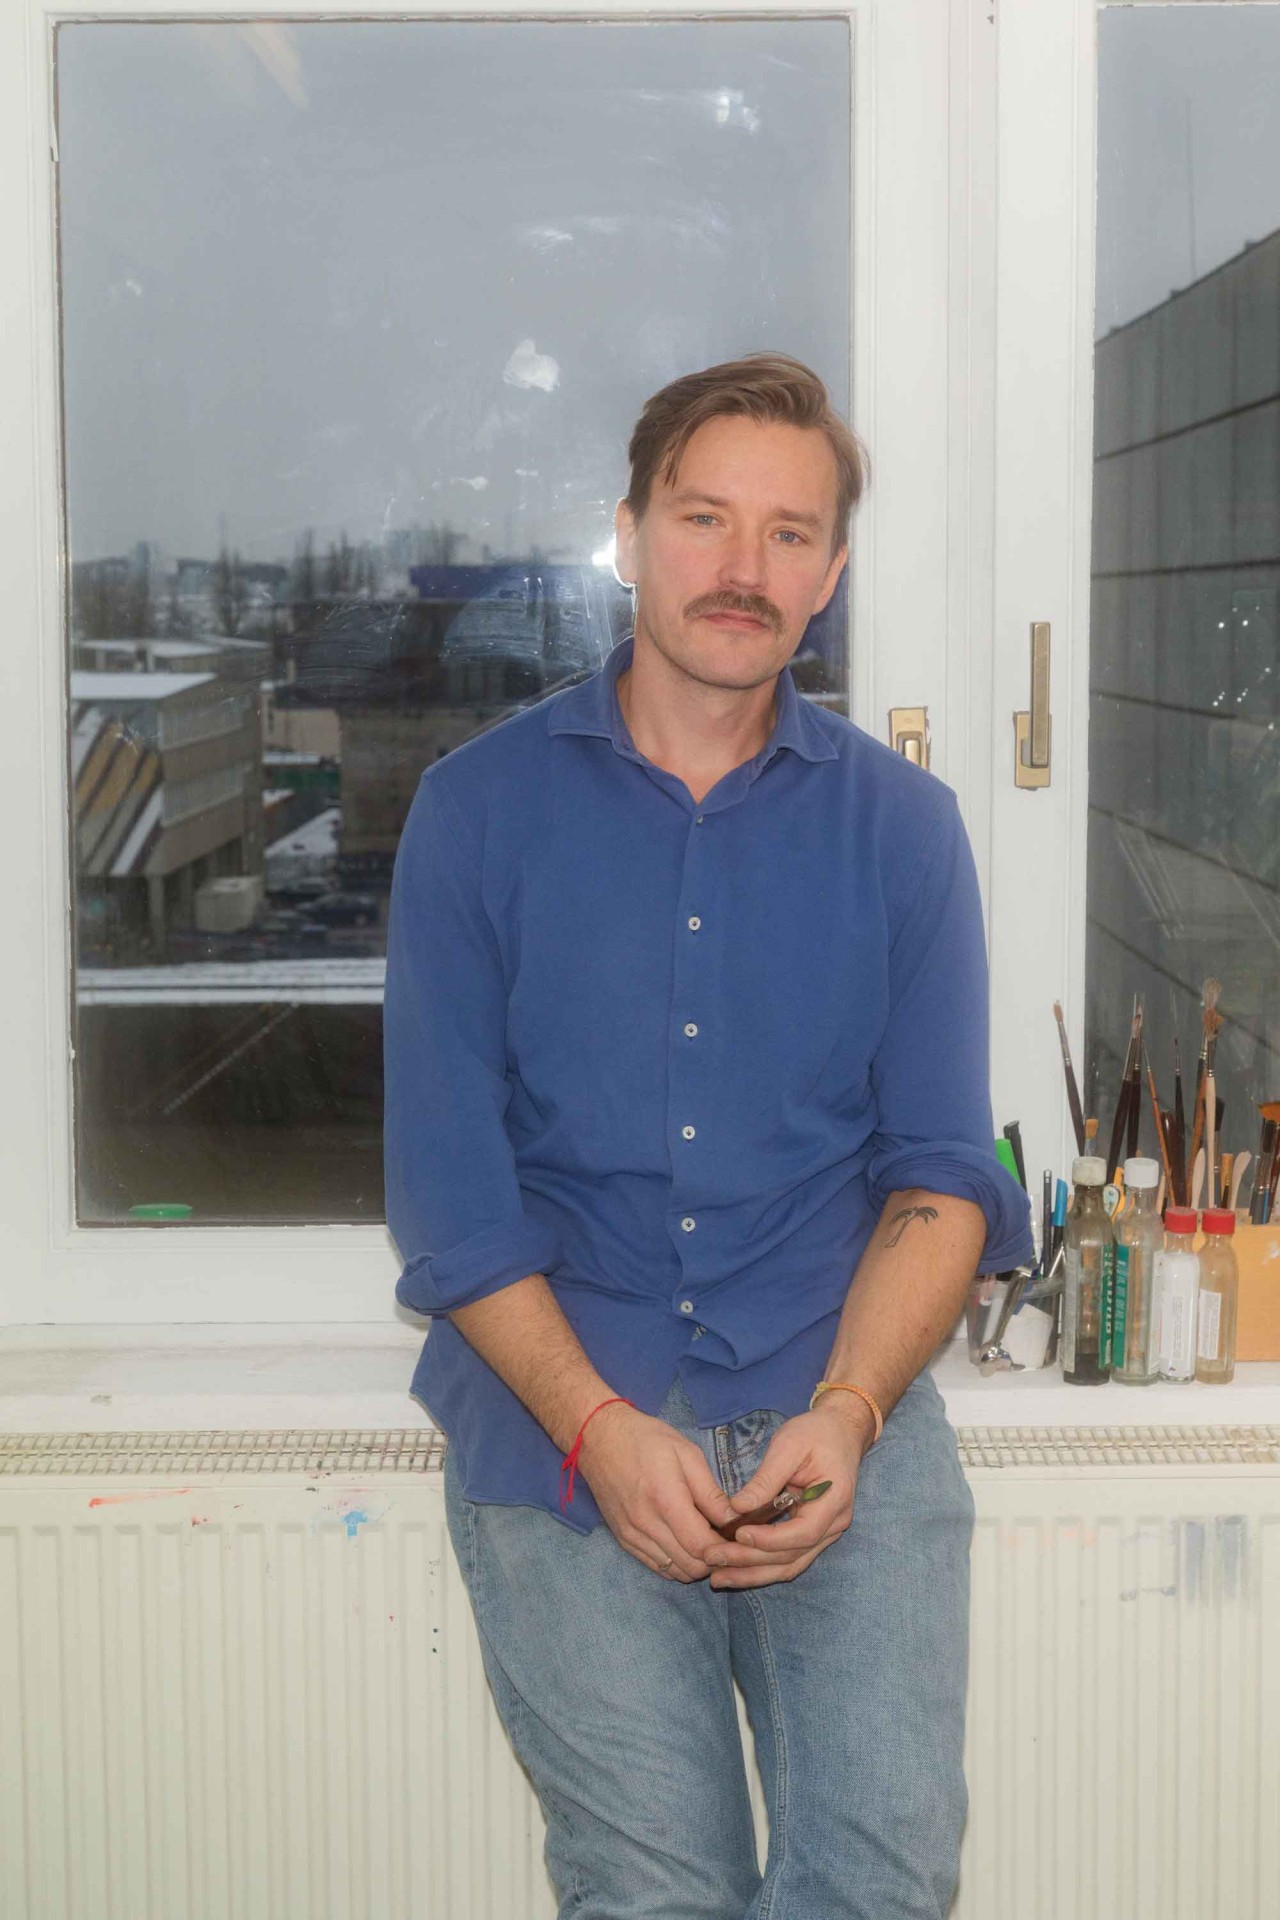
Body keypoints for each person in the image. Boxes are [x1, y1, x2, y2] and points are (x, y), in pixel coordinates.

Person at [384, 353, 1033, 1919]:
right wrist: (597, 1430)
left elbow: (944, 1176)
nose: (745, 567)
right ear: (629, 536)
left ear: (831, 573)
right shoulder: (475, 813)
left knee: (879, 1881)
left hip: (832, 1400)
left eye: (790, 533)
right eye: (705, 518)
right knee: (654, 1891)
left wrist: (854, 1412)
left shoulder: (906, 831)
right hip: (565, 1414)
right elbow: (453, 1203)